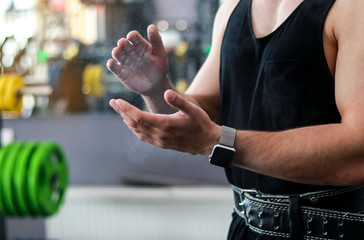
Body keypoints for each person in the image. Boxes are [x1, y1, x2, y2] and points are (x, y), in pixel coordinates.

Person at [107, 0, 364, 239]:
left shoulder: (352, 7)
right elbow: (198, 115)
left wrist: (219, 142)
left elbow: (358, 150)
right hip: (244, 227)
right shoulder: (231, 8)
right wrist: (156, 88)